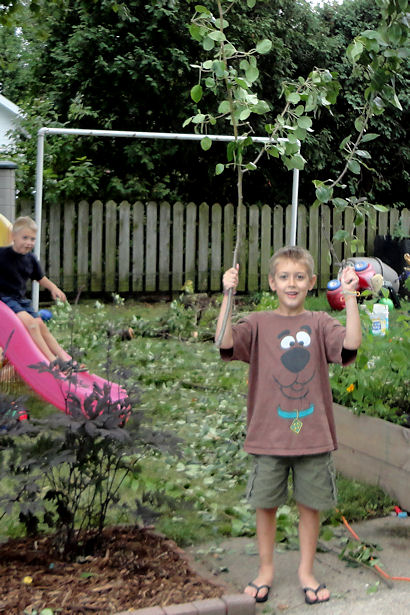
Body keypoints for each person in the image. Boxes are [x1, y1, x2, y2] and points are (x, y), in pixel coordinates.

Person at [216, 246, 362, 606]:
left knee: (310, 505)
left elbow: (349, 345)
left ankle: (306, 572)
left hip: (312, 436)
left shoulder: (320, 323)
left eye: (299, 277)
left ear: (311, 283)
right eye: (284, 277)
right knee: (265, 505)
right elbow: (223, 341)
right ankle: (265, 570)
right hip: (269, 435)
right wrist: (227, 295)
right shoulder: (258, 323)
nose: (291, 283)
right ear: (272, 282)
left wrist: (350, 298)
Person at [0, 216, 81, 371]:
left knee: (40, 325)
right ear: (13, 237)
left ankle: (65, 359)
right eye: (25, 238)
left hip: (20, 300)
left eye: (32, 239)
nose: (29, 242)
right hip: (5, 300)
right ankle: (52, 361)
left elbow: (40, 278)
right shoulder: (2, 255)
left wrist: (53, 288)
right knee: (31, 324)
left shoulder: (30, 259)